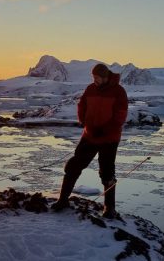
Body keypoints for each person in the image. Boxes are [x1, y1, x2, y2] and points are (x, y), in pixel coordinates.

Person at [51, 63, 128, 218]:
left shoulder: (119, 91)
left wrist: (104, 130)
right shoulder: (90, 89)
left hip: (109, 139)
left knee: (107, 172)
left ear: (105, 77)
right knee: (73, 166)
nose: (95, 80)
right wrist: (84, 122)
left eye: (97, 77)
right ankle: (63, 200)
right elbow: (82, 105)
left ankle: (110, 208)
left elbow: (120, 115)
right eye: (93, 77)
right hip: (90, 135)